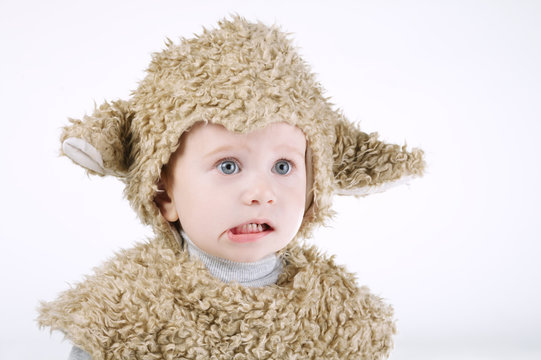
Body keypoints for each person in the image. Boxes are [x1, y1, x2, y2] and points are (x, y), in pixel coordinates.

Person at [38, 16, 425, 360]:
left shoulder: (338, 314)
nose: (261, 192)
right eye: (228, 165)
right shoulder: (127, 310)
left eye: (283, 166)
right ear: (163, 194)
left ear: (314, 188)